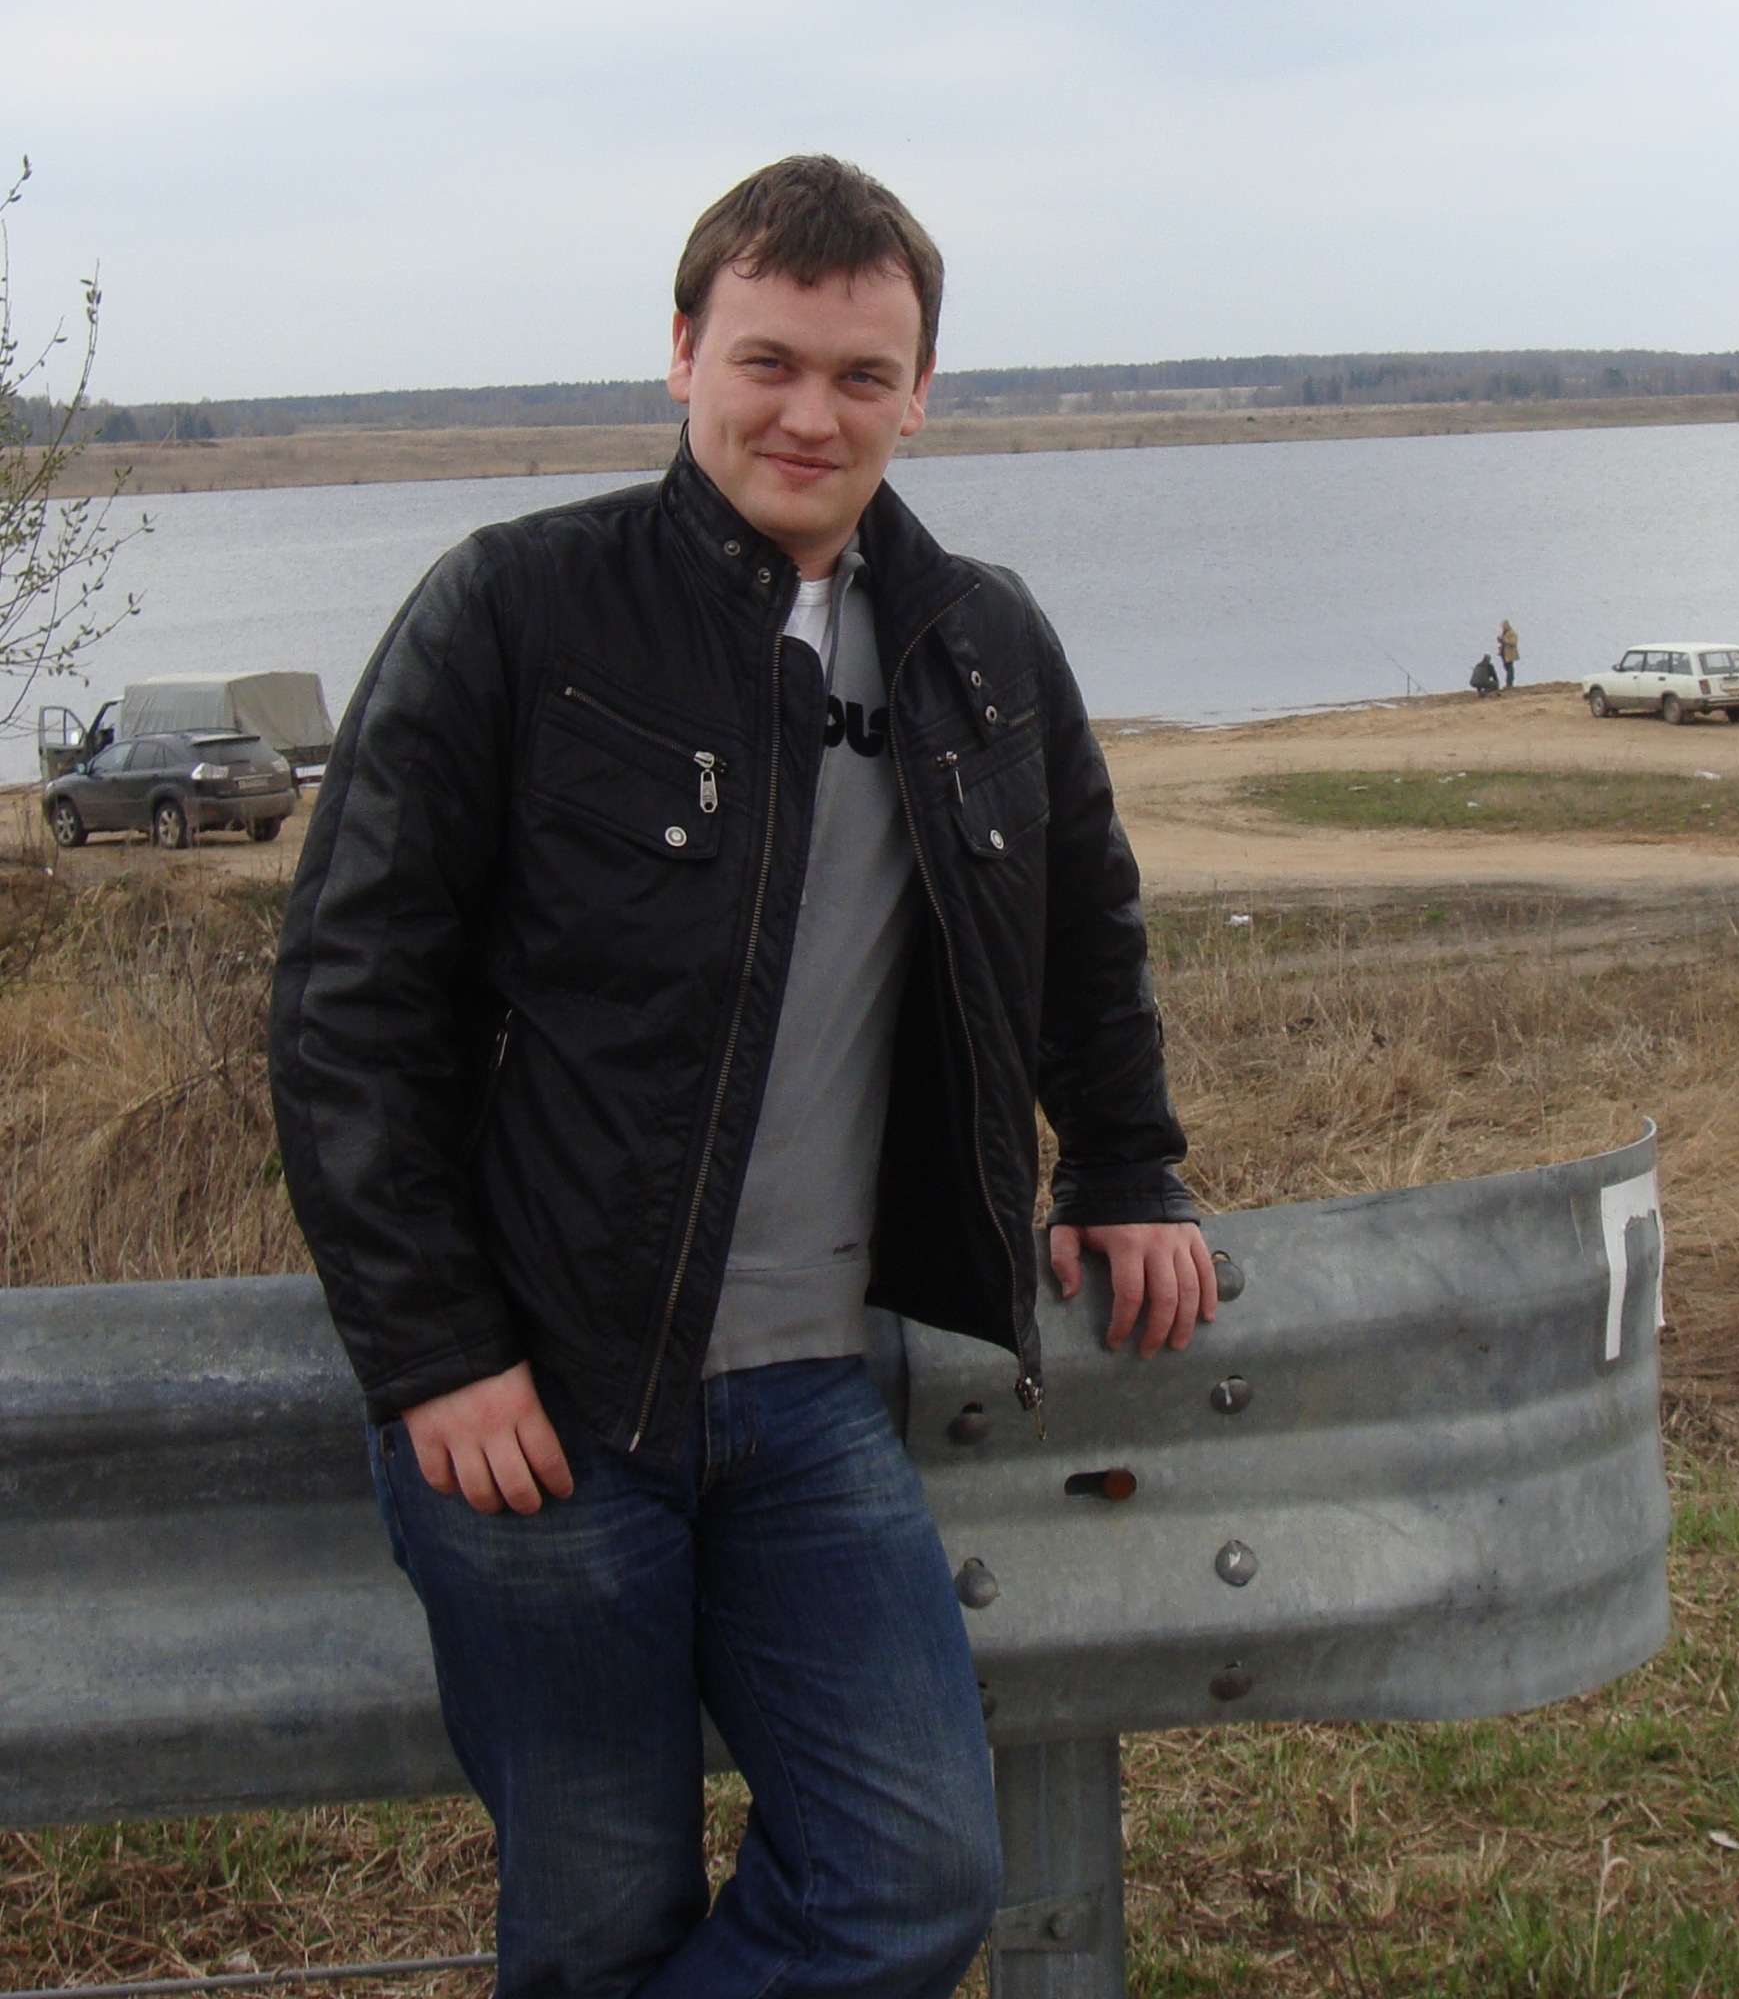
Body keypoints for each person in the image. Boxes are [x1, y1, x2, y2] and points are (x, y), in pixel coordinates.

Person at [268, 154, 1216, 1999]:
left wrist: (1126, 1162)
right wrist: (434, 1348)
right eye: (768, 360)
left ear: (920, 392)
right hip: (544, 1400)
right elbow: (344, 1005)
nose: (810, 413)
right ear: (683, 353)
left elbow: (1081, 932)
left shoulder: (982, 642)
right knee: (598, 1916)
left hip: (808, 1397)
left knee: (912, 1878)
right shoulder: (519, 609)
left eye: (863, 375)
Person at [1498, 617, 1520, 688]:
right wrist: (1500, 640)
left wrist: (1504, 640)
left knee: (1509, 668)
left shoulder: (1512, 633)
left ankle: (1509, 683)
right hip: (1504, 653)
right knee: (1507, 667)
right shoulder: (1504, 633)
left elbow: (1513, 642)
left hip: (1510, 654)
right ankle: (1509, 683)